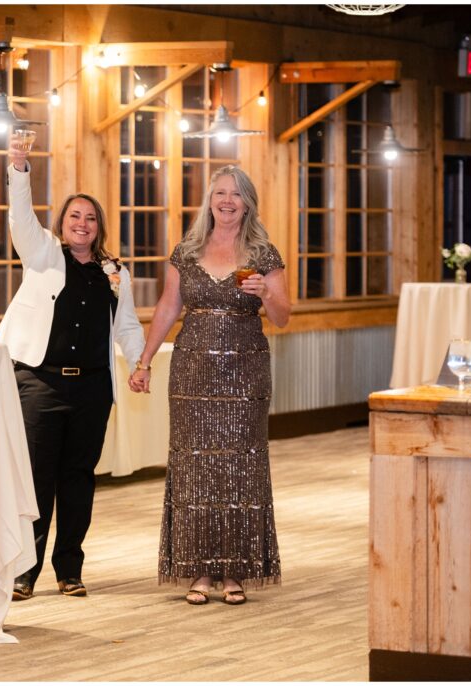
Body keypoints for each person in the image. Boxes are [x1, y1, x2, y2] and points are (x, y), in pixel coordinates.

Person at [129, 165, 290, 605]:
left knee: (240, 465)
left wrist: (265, 294)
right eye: (220, 193)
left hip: (245, 372)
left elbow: (282, 317)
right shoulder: (187, 250)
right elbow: (168, 306)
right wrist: (144, 360)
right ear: (210, 200)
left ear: (248, 203)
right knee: (195, 467)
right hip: (192, 373)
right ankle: (198, 569)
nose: (227, 201)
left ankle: (235, 570)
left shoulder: (264, 254)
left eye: (236, 194)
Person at [0, 137, 145, 601]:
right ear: (62, 223)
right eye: (75, 216)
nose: (82, 224)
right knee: (37, 479)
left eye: (91, 218)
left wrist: (139, 363)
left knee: (79, 479)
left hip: (92, 391)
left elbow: (127, 324)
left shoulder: (114, 272)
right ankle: (25, 573)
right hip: (40, 383)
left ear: (99, 227)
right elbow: (21, 216)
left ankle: (70, 570)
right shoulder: (42, 253)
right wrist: (19, 165)